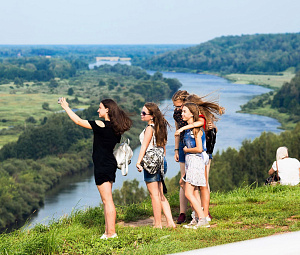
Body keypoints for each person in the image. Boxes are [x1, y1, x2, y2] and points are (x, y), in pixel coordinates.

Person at [59, 97, 132, 239]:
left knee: (107, 200)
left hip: (103, 164)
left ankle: (111, 233)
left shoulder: (101, 125)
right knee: (106, 200)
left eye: (100, 107)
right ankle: (107, 231)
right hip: (108, 163)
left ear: (107, 110)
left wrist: (66, 107)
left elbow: (79, 121)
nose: (98, 110)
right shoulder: (115, 128)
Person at [175, 94, 224, 224]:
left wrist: (184, 129)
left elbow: (203, 131)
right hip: (192, 155)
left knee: (200, 185)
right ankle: (197, 215)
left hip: (199, 155)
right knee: (188, 184)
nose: (180, 111)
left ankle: (203, 215)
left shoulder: (198, 123)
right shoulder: (182, 117)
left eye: (183, 108)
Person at [136, 102, 176, 228]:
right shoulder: (160, 127)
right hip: (161, 161)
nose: (141, 115)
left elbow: (144, 146)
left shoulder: (149, 128)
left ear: (152, 116)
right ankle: (170, 222)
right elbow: (163, 147)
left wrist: (139, 161)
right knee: (160, 194)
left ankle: (158, 224)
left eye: (144, 113)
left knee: (154, 195)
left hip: (151, 162)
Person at [172, 90, 205, 224]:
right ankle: (188, 213)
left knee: (193, 185)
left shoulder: (194, 117)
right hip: (184, 148)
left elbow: (200, 123)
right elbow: (176, 130)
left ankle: (200, 214)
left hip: (193, 152)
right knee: (184, 182)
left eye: (180, 106)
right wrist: (176, 149)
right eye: (176, 107)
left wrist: (185, 128)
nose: (179, 110)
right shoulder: (178, 114)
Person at [180, 103, 210, 228]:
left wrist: (186, 150)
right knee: (195, 191)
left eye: (184, 111)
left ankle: (202, 218)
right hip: (190, 162)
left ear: (192, 114)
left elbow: (199, 148)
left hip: (195, 161)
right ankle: (197, 218)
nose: (182, 114)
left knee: (188, 193)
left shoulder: (196, 130)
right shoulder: (188, 129)